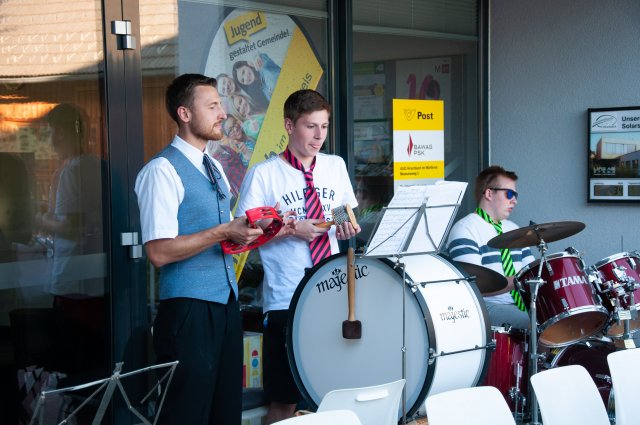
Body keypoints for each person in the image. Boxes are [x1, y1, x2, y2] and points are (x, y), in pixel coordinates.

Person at [134, 73, 266, 425]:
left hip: (225, 306)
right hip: (188, 312)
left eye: (221, 104)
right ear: (185, 114)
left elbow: (221, 236)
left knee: (226, 413)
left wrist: (254, 231)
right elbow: (159, 252)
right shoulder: (161, 171)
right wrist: (224, 230)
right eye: (212, 106)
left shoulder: (216, 166)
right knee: (186, 414)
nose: (223, 113)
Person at [235, 89, 361, 424]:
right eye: (310, 126)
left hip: (333, 293)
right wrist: (293, 230)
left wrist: (346, 226)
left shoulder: (335, 166)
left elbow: (342, 215)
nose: (319, 135)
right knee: (284, 400)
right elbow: (246, 235)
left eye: (324, 126)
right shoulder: (265, 174)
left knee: (335, 393)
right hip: (286, 298)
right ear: (289, 125)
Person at [446, 166, 534, 329]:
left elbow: (532, 270)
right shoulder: (466, 228)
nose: (514, 200)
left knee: (559, 319)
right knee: (536, 324)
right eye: (509, 194)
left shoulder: (514, 228)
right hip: (486, 305)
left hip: (522, 303)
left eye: (516, 195)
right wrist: (519, 280)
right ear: (489, 193)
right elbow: (475, 285)